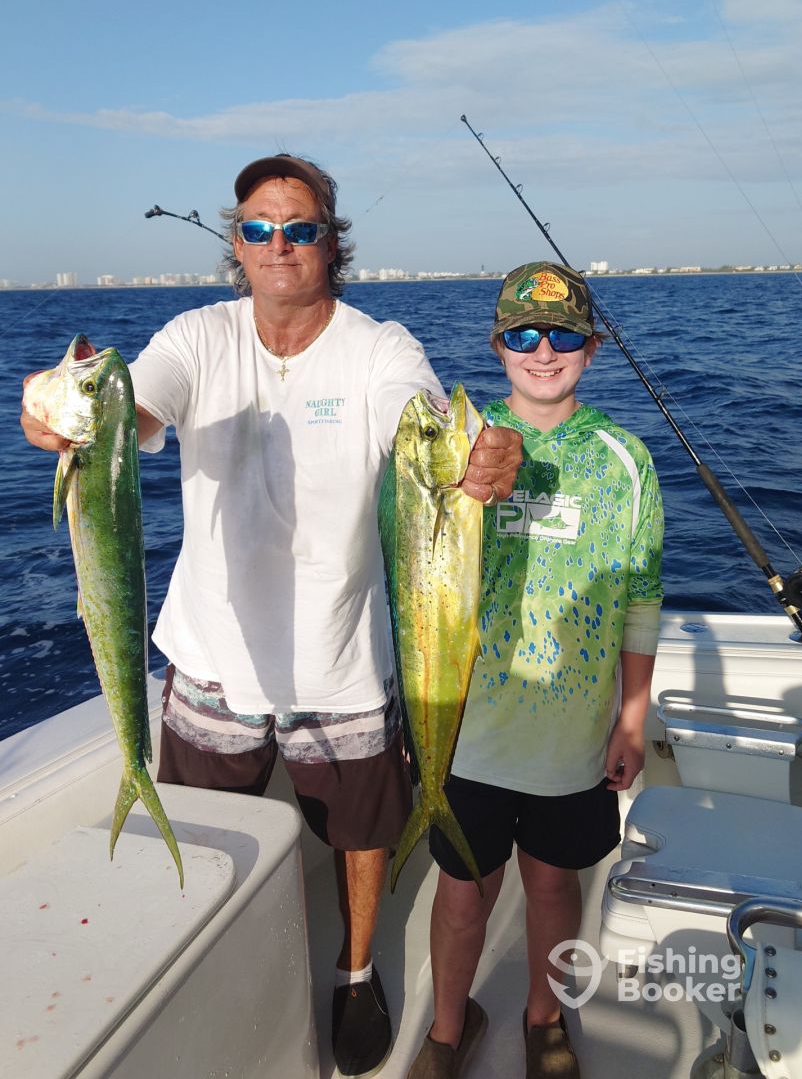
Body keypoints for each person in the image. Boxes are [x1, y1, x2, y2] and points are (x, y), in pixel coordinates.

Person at [20, 154, 523, 1078]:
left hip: (345, 658)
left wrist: (481, 457)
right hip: (211, 658)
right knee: (206, 827)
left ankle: (356, 971)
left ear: (333, 244)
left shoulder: (380, 346)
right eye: (258, 227)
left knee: (362, 836)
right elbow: (138, 412)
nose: (279, 243)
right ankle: (206, 949)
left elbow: (416, 422)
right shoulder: (196, 336)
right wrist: (63, 416)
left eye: (301, 227)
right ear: (237, 245)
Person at [407, 261, 664, 1079]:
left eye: (562, 335)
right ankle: (448, 1028)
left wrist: (632, 717)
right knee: (462, 894)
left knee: (553, 887)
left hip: (571, 736)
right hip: (467, 730)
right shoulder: (454, 450)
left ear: (591, 348)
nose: (542, 351)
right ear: (497, 346)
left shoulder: (625, 459)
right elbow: (410, 576)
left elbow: (641, 597)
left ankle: (543, 1017)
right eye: (522, 334)